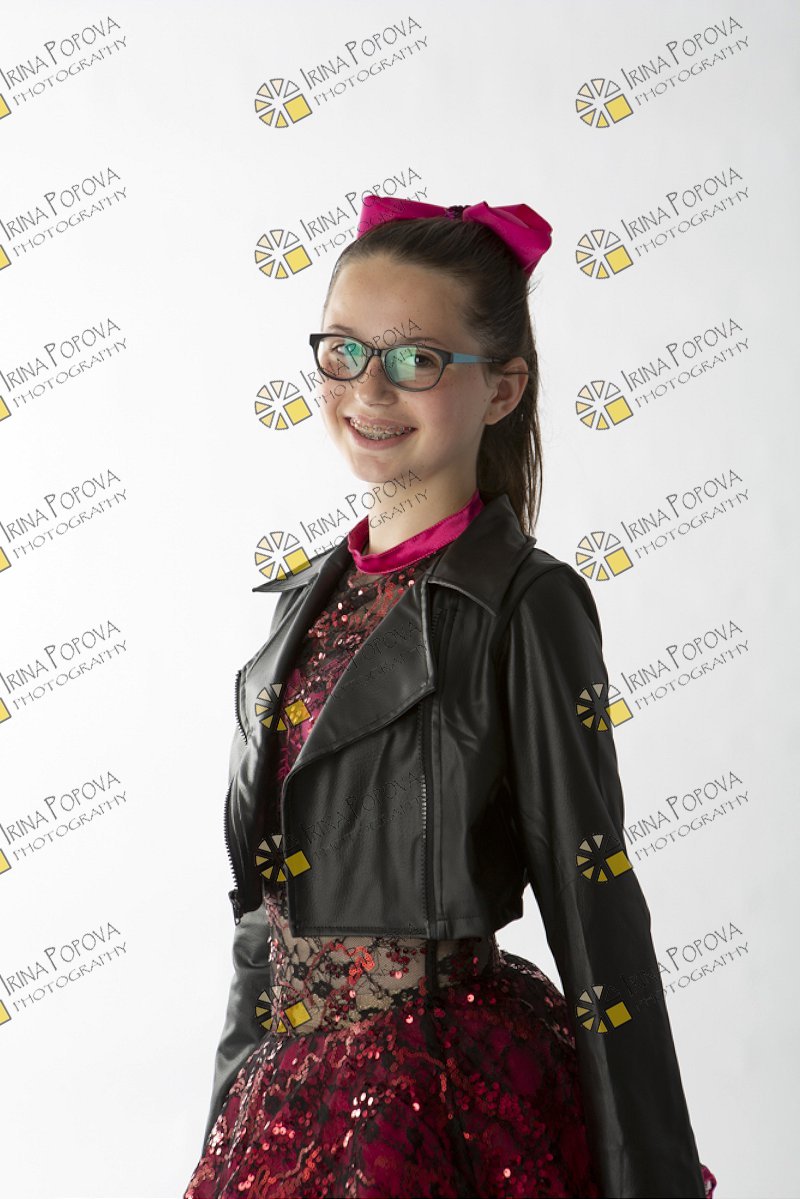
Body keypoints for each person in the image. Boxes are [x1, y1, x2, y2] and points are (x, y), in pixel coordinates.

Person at [183, 195, 718, 1198]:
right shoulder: (299, 605)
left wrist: (650, 1180)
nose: (368, 387)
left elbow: (595, 908)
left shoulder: (525, 604)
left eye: (416, 358)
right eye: (344, 350)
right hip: (289, 1106)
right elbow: (262, 924)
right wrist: (226, 1129)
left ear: (502, 387)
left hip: (442, 1103)